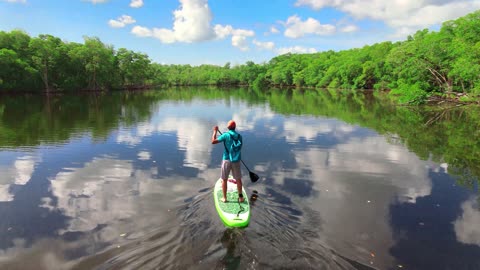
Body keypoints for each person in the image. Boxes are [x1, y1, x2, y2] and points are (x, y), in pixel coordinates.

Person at [211, 120, 244, 203]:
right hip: (236, 160)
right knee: (238, 179)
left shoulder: (226, 135)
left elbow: (213, 141)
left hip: (226, 160)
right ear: (235, 127)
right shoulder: (239, 136)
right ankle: (240, 198)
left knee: (224, 179)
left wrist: (215, 131)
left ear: (228, 127)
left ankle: (225, 198)